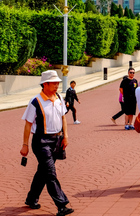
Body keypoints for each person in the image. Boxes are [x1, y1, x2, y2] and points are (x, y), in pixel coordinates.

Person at [20, 70, 74, 216]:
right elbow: (28, 124)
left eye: (57, 83)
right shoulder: (35, 101)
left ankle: (31, 199)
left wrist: (65, 136)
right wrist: (25, 145)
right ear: (45, 84)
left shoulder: (59, 98)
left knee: (43, 172)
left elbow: (63, 118)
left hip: (57, 140)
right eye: (54, 83)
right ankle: (61, 205)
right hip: (41, 142)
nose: (57, 85)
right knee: (50, 172)